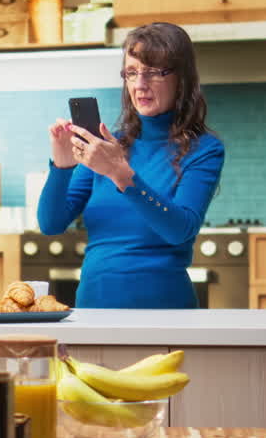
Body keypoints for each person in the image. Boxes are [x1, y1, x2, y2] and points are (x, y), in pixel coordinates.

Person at [37, 22, 224, 309]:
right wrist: (61, 167)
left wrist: (120, 174)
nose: (139, 85)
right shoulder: (109, 145)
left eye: (153, 72)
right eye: (132, 72)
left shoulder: (205, 149)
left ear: (181, 78)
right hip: (93, 309)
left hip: (165, 313)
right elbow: (51, 223)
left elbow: (180, 229)